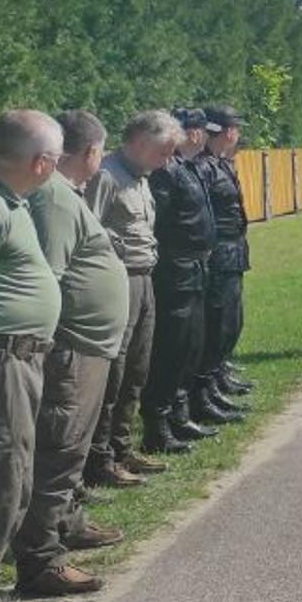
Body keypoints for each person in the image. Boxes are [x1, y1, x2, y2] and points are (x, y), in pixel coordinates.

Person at [13, 110, 129, 597]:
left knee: (70, 449)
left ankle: (65, 522)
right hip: (70, 352)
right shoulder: (54, 199)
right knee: (57, 451)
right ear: (90, 152)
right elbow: (51, 278)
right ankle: (42, 558)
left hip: (85, 349)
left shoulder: (63, 194)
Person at [0, 110, 65, 602]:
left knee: (13, 472)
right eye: (56, 159)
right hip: (3, 361)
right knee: (4, 474)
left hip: (20, 358)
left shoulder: (11, 202)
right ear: (41, 163)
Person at [84, 111, 181, 488]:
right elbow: (88, 231)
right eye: (164, 151)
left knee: (138, 368)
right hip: (118, 281)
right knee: (115, 372)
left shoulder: (141, 178)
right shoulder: (106, 176)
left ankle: (122, 448)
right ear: (140, 142)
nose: (168, 160)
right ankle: (100, 459)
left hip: (144, 279)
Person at [144, 109, 219, 451]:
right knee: (171, 349)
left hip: (194, 269)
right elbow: (157, 224)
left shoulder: (185, 167)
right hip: (174, 271)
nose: (201, 137)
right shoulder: (165, 172)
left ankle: (180, 413)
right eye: (198, 130)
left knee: (190, 346)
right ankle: (158, 427)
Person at [197, 107, 252, 416]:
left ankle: (218, 378)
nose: (238, 133)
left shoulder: (220, 164)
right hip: (218, 253)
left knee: (231, 321)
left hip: (233, 250)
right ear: (225, 131)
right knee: (218, 323)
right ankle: (207, 389)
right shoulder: (204, 167)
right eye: (235, 127)